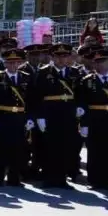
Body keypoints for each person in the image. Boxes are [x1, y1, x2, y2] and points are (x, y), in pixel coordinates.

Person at [30, 44, 80, 188]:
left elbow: (81, 94)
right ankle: (49, 177)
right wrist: (39, 116)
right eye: (58, 56)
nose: (61, 59)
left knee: (66, 147)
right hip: (50, 114)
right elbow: (35, 96)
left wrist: (80, 108)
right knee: (49, 147)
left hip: (68, 114)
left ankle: (62, 178)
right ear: (52, 57)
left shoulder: (74, 73)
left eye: (64, 56)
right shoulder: (43, 72)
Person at [77, 48, 108, 190]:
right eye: (96, 62)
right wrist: (84, 123)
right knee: (94, 150)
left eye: (102, 61)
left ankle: (107, 179)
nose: (99, 65)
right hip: (95, 119)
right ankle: (94, 180)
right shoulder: (87, 81)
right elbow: (83, 103)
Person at [0, 47, 33, 187]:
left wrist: (30, 118)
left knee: (18, 149)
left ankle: (14, 178)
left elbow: (31, 100)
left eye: (16, 62)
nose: (13, 65)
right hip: (2, 117)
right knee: (0, 149)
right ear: (5, 63)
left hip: (19, 118)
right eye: (10, 62)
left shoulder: (25, 77)